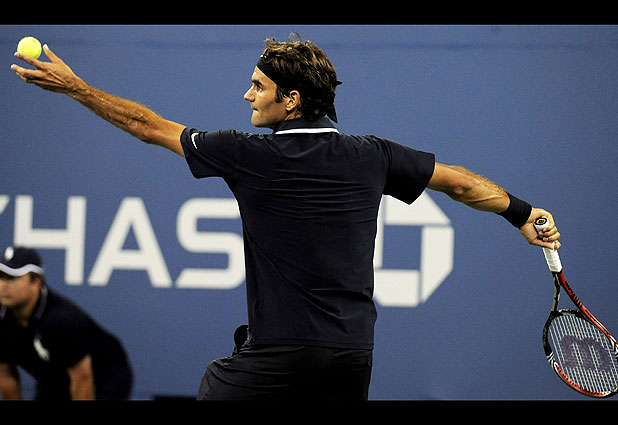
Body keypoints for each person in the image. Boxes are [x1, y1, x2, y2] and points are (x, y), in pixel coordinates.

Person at [10, 34, 561, 400]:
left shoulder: (246, 154)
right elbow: (461, 182)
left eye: (258, 86)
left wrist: (75, 87)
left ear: (291, 100)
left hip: (281, 354)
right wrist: (522, 212)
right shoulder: (373, 154)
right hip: (353, 356)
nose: (247, 94)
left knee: (214, 384)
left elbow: (145, 125)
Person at [0, 246, 133, 400]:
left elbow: (82, 378)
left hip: (104, 377)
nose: (4, 285)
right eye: (1, 276)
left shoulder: (61, 320)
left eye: (13, 278)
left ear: (36, 281)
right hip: (55, 378)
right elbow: (7, 377)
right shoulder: (2, 318)